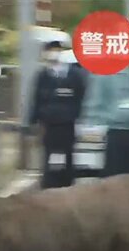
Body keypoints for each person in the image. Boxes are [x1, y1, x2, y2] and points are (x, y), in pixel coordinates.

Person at [29, 41, 87, 189]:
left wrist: (77, 115)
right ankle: (49, 184)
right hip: (49, 123)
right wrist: (33, 121)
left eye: (56, 50)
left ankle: (67, 184)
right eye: (50, 51)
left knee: (68, 154)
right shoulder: (43, 75)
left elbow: (80, 96)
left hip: (68, 122)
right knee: (48, 154)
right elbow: (36, 98)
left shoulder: (74, 75)